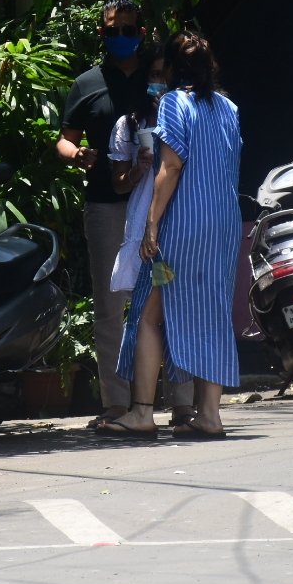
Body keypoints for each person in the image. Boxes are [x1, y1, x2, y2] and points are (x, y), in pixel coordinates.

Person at [98, 31, 242, 440]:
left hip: (184, 227)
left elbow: (171, 167)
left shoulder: (174, 103)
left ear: (176, 69)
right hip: (224, 227)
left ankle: (142, 414)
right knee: (212, 312)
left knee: (148, 314)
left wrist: (152, 223)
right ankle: (210, 415)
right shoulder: (229, 108)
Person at [58, 0, 147, 426]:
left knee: (164, 300)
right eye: (113, 30)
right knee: (110, 307)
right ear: (102, 33)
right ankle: (116, 403)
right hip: (105, 206)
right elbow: (64, 139)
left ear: (141, 33)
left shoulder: (158, 77)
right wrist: (77, 155)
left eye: (128, 30)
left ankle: (181, 402)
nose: (120, 37)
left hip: (157, 205)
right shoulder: (87, 83)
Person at [105, 48, 195, 427]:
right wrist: (138, 170)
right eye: (153, 75)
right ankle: (147, 406)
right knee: (151, 315)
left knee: (173, 314)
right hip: (147, 229)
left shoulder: (188, 116)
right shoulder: (130, 125)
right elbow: (118, 184)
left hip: (180, 224)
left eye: (165, 74)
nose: (159, 82)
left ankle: (179, 406)